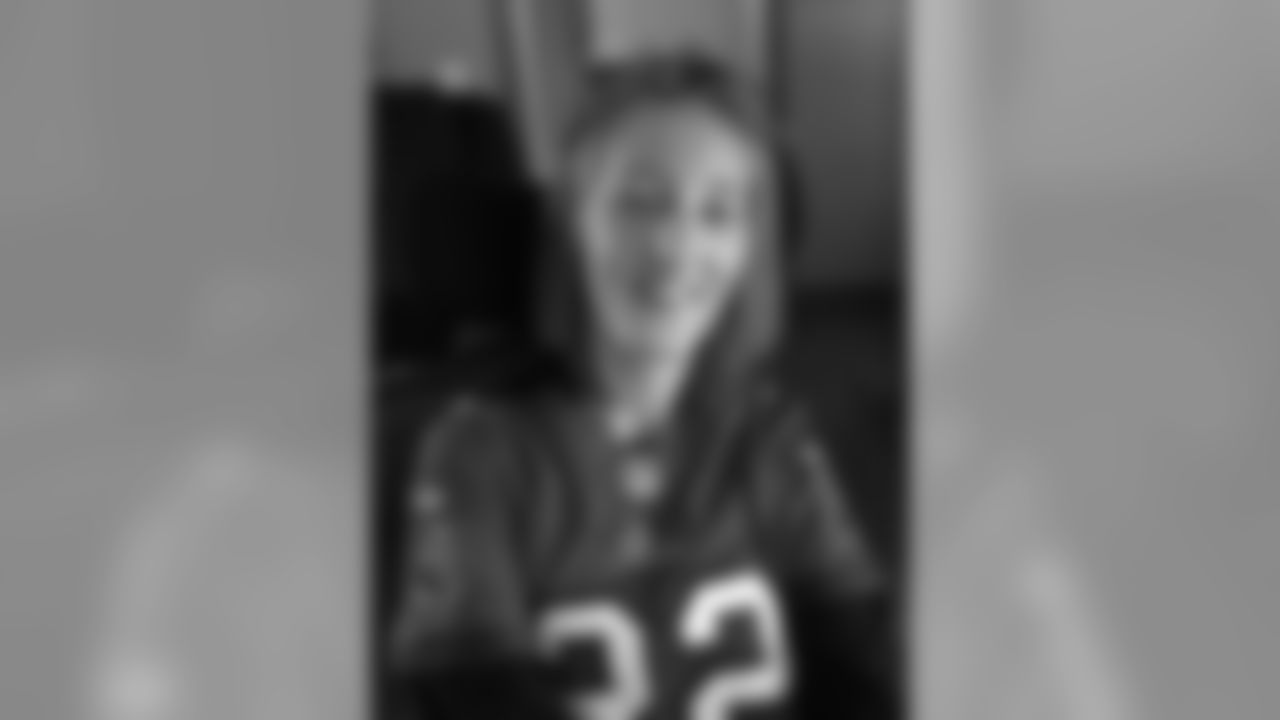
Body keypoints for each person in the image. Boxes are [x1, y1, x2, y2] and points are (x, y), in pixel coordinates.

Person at [387, 54, 897, 720]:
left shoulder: (776, 441)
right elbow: (468, 690)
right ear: (571, 223)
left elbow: (859, 664)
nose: (677, 247)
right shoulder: (480, 452)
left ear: (749, 250)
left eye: (718, 213)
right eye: (640, 202)